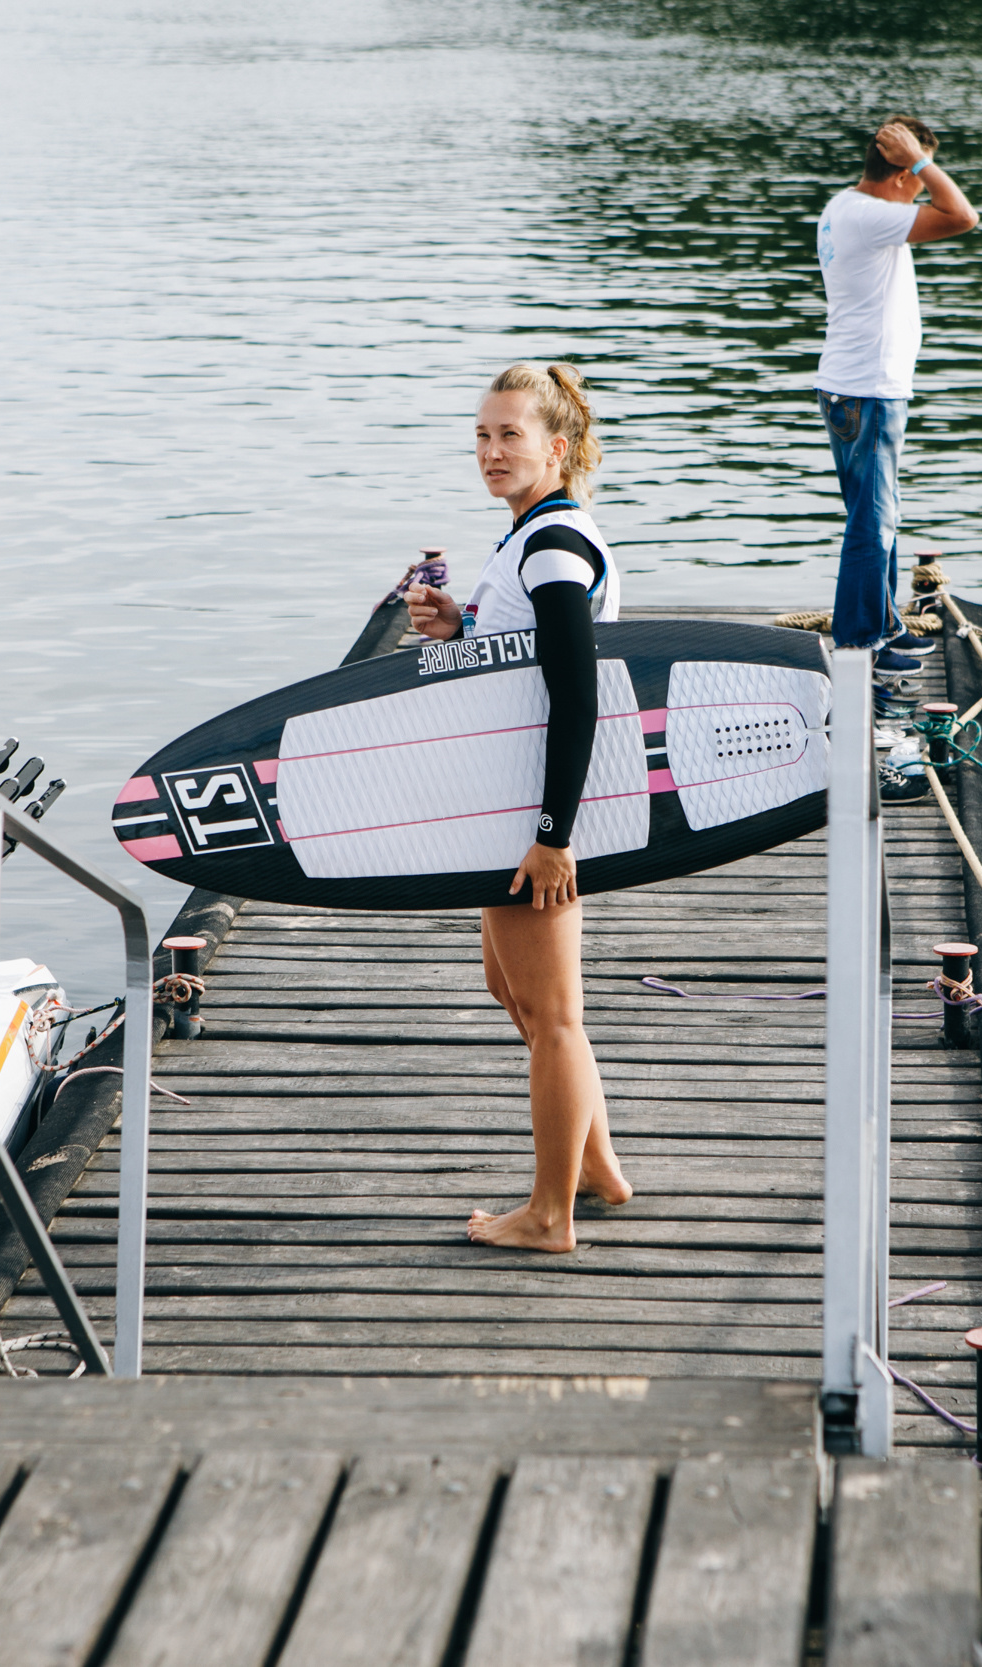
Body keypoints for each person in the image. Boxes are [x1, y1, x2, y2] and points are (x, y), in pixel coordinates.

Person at [404, 363, 633, 1252]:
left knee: (553, 1017)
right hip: (510, 804)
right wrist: (462, 629)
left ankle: (549, 1214)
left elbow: (578, 697)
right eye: (482, 436)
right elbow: (522, 664)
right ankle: (598, 1168)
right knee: (515, 989)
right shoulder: (529, 537)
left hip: (538, 811)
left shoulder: (555, 544)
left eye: (510, 436)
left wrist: (552, 837)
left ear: (557, 448)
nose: (492, 452)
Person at [814, 117, 980, 676]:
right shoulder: (869, 213)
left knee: (878, 515)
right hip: (867, 390)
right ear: (902, 175)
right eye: (916, 172)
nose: (922, 183)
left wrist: (913, 160)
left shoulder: (845, 206)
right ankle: (861, 646)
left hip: (853, 386)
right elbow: (963, 216)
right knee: (872, 521)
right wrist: (922, 160)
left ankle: (882, 624)